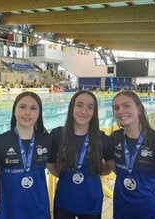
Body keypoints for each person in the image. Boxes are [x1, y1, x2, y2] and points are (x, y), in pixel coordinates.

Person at [109, 90, 155, 219]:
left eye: (126, 106)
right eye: (116, 108)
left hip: (152, 214)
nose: (120, 111)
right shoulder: (114, 139)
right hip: (121, 213)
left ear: (139, 109)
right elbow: (119, 170)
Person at [0, 91, 55, 219]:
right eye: (22, 107)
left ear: (39, 113)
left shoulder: (47, 140)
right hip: (8, 214)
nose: (27, 112)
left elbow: (56, 170)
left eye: (33, 108)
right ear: (14, 111)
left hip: (40, 213)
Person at [50, 90, 113, 219]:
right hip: (63, 201)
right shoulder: (57, 135)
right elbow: (51, 165)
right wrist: (64, 175)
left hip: (91, 203)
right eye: (79, 105)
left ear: (94, 112)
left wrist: (95, 172)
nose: (84, 111)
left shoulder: (102, 139)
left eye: (90, 107)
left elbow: (109, 168)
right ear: (71, 107)